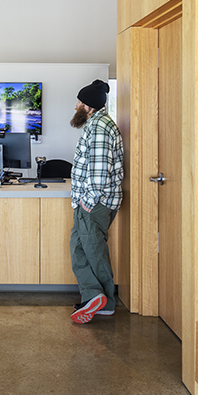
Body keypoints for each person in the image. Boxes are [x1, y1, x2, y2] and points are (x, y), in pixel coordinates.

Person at [69, 79, 124, 324]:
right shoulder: (95, 124)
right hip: (90, 201)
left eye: (80, 102)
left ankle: (103, 301)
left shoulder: (100, 127)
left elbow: (100, 171)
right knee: (81, 248)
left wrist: (87, 202)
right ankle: (95, 297)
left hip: (94, 202)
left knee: (92, 250)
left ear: (89, 106)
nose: (76, 105)